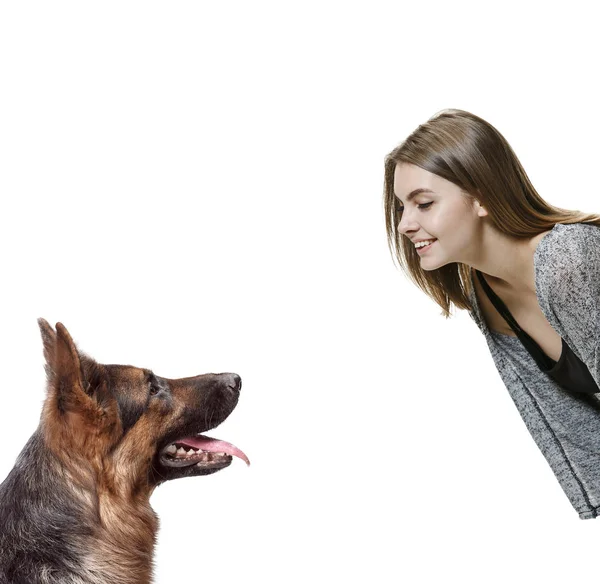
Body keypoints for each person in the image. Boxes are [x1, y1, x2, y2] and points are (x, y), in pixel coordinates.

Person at [384, 109, 600, 519]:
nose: (405, 225)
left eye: (424, 203)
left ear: (482, 194)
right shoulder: (485, 293)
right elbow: (566, 423)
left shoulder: (568, 261)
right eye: (401, 208)